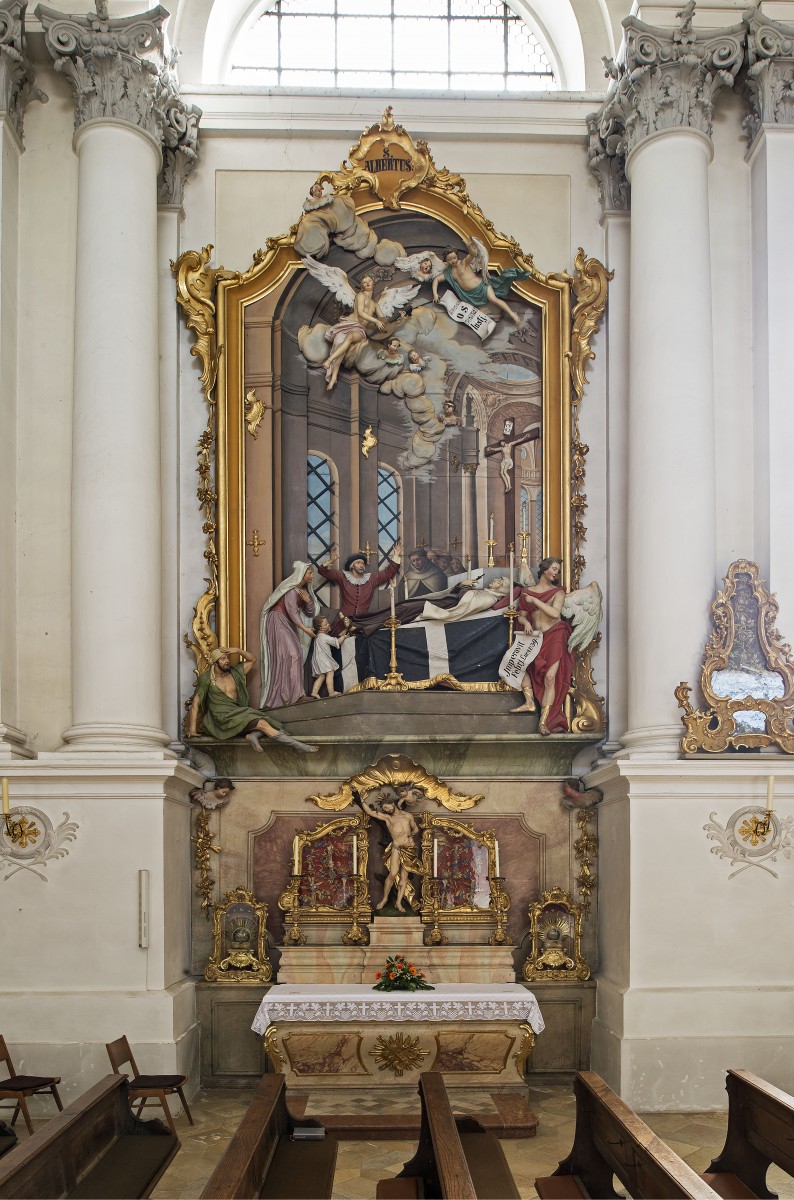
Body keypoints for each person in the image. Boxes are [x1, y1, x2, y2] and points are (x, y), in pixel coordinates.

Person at [188, 648, 318, 753]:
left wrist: (238, 651)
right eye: (223, 659)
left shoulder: (235, 672)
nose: (227, 661)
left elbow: (252, 659)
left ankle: (254, 735)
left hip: (237, 712)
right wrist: (193, 729)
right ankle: (298, 746)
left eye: (227, 658)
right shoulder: (206, 679)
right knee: (262, 724)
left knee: (268, 722)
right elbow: (196, 704)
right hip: (220, 718)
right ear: (215, 662)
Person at [509, 556, 574, 735]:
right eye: (554, 569)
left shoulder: (558, 593)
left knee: (550, 678)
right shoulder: (527, 591)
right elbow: (521, 615)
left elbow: (554, 613)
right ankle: (529, 702)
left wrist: (535, 602)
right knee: (519, 667)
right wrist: (526, 622)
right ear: (544, 570)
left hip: (555, 634)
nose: (556, 573)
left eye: (558, 570)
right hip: (535, 637)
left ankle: (543, 722)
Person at [259, 561, 319, 708]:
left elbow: (310, 613)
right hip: (278, 622)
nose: (312, 575)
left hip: (289, 624)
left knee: (295, 654)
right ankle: (286, 695)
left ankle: (296, 694)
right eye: (309, 573)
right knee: (291, 654)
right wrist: (306, 630)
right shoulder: (291, 590)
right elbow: (292, 611)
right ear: (301, 574)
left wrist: (308, 601)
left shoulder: (302, 591)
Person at [432, 241, 528, 327]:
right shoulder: (449, 273)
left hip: (482, 287)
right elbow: (436, 279)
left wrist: (470, 245)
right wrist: (435, 294)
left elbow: (472, 254)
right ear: (446, 261)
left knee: (493, 299)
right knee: (479, 313)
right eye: (449, 259)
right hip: (471, 296)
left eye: (454, 257)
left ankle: (512, 313)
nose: (453, 260)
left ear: (457, 256)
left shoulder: (464, 263)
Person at [355, 792, 423, 912]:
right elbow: (370, 812)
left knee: (404, 877)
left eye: (386, 807)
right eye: (384, 809)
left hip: (410, 849)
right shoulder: (388, 818)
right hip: (397, 848)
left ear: (392, 804)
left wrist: (410, 836)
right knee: (392, 874)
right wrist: (361, 799)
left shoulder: (408, 816)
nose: (385, 810)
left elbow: (416, 829)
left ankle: (398, 902)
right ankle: (385, 899)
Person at [318, 542, 402, 623]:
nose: (361, 565)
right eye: (358, 563)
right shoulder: (343, 576)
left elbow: (388, 573)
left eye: (362, 563)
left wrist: (396, 555)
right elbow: (323, 571)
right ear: (352, 566)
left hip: (361, 621)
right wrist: (331, 561)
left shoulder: (371, 578)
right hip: (343, 620)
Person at [310, 615, 350, 698]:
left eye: (327, 623)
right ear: (321, 628)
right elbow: (337, 642)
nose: (328, 624)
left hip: (318, 659)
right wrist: (344, 636)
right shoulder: (324, 637)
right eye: (326, 624)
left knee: (321, 676)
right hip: (323, 659)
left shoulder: (318, 637)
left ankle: (314, 692)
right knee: (330, 673)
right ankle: (331, 692)